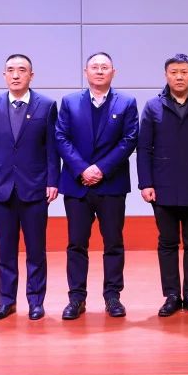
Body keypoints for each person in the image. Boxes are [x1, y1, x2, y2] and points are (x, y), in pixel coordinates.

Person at [54, 52, 139, 320]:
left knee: (113, 243)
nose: (99, 71)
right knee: (76, 244)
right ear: (85, 72)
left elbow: (129, 139)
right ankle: (76, 298)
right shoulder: (69, 102)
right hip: (77, 185)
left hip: (111, 184)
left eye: (104, 67)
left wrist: (101, 168)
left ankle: (113, 297)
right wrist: (83, 169)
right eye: (94, 67)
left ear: (113, 72)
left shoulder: (126, 102)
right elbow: (61, 137)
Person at [137, 54, 188, 317]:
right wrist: (145, 183)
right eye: (173, 72)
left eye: (184, 72)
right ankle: (172, 295)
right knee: (167, 242)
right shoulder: (153, 106)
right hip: (162, 187)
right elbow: (143, 148)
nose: (179, 77)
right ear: (166, 75)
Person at [0, 53, 59, 321]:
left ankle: (36, 301)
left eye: (22, 70)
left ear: (31, 76)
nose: (16, 75)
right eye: (10, 70)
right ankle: (6, 301)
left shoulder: (46, 105)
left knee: (36, 249)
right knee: (5, 250)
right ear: (4, 75)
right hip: (1, 187)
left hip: (35, 187)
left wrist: (53, 181)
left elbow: (52, 148)